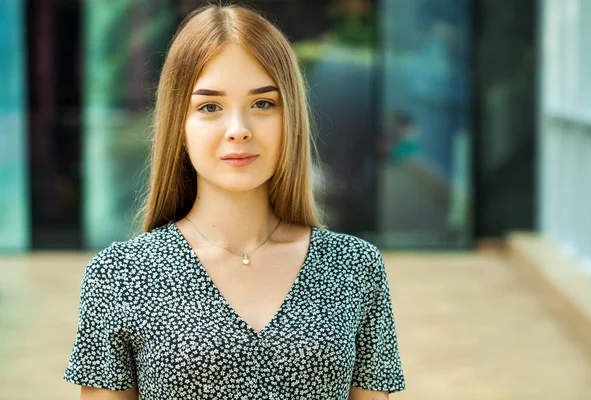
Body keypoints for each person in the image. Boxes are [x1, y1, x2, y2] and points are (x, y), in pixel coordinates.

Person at [63, 4, 405, 399]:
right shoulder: (117, 277)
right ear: (180, 123)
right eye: (210, 107)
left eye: (263, 103)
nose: (238, 130)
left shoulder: (355, 267)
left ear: (289, 116)